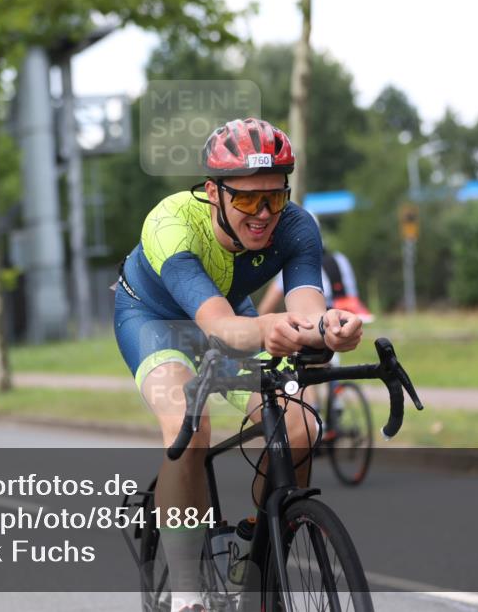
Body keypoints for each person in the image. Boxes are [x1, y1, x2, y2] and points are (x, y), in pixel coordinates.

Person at [113, 118, 363, 612]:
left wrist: (332, 327)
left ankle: (254, 541)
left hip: (232, 313)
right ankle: (187, 591)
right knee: (189, 420)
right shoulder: (171, 225)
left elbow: (307, 307)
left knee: (299, 424)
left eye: (275, 196)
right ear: (213, 192)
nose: (263, 214)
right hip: (156, 320)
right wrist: (272, 327)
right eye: (248, 199)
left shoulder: (295, 225)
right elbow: (222, 330)